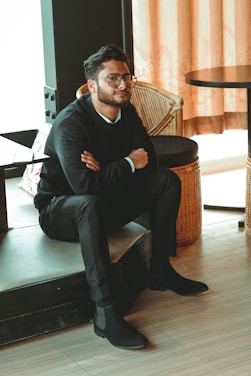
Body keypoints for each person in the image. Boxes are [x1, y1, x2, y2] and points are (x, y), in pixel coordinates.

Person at [34, 44, 208, 350]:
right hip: (59, 209)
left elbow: (150, 163)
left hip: (104, 198)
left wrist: (107, 170)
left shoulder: (126, 111)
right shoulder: (71, 123)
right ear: (92, 86)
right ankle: (105, 312)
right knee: (89, 203)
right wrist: (127, 162)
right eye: (113, 79)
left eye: (126, 77)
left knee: (166, 180)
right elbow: (84, 186)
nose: (123, 85)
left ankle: (160, 271)